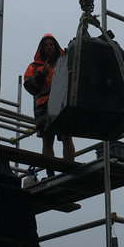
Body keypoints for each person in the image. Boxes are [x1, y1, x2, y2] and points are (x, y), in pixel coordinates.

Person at [24, 34, 75, 162]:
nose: (49, 47)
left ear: (55, 47)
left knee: (66, 135)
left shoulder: (65, 62)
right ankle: (50, 172)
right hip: (43, 107)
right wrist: (42, 75)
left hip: (62, 104)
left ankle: (69, 168)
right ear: (42, 48)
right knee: (47, 139)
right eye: (46, 45)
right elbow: (30, 87)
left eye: (51, 44)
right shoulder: (33, 67)